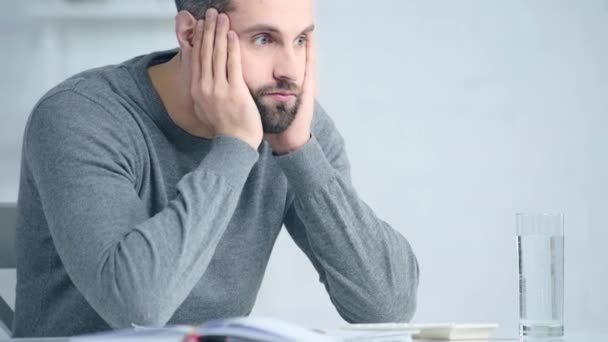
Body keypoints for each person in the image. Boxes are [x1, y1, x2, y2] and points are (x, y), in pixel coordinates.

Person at [13, 0, 419, 337]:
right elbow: (138, 308)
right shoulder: (79, 116)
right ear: (191, 36)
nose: (290, 70)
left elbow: (387, 305)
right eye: (263, 39)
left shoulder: (289, 123)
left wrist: (299, 150)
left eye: (300, 40)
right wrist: (236, 145)